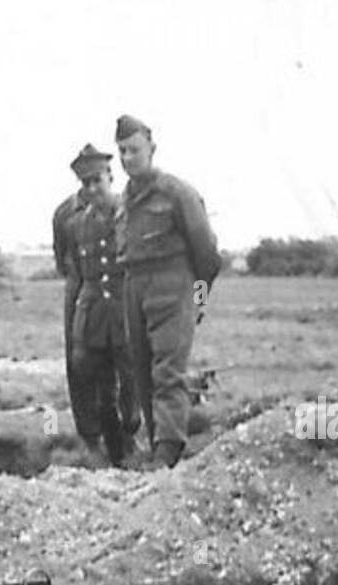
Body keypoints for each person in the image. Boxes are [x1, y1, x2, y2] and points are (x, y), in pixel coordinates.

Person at [114, 113, 220, 468]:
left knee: (167, 372)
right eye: (123, 152)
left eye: (135, 150)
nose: (129, 158)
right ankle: (156, 443)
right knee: (141, 372)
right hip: (134, 288)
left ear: (152, 149)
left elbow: (207, 255)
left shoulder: (177, 194)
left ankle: (168, 451)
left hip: (172, 286)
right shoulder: (124, 201)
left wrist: (197, 300)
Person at [65, 144, 136, 465]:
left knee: (133, 386)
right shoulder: (77, 225)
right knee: (103, 392)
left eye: (97, 181)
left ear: (111, 176)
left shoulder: (131, 213)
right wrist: (76, 329)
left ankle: (135, 441)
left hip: (127, 313)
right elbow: (78, 279)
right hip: (95, 319)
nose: (92, 189)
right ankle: (115, 454)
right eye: (86, 183)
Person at [53, 153, 89, 447]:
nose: (90, 183)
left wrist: (199, 298)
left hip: (115, 289)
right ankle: (89, 433)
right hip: (78, 287)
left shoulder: (121, 207)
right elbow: (61, 260)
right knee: (78, 360)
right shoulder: (64, 213)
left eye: (97, 177)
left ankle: (126, 431)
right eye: (84, 177)